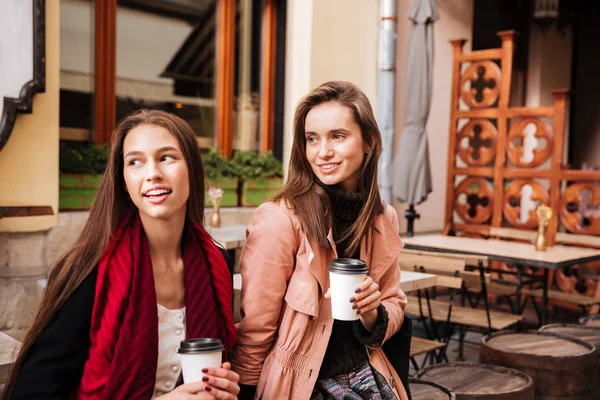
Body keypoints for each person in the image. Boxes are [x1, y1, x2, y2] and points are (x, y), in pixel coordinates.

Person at [5, 110, 241, 400]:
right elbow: (30, 393)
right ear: (124, 181)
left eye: (166, 157)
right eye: (135, 162)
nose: (152, 173)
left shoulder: (216, 262)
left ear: (191, 168)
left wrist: (223, 388)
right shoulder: (90, 269)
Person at [231, 81, 409, 400]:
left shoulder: (383, 218)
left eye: (337, 136)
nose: (322, 152)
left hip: (369, 376)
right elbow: (257, 329)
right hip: (301, 385)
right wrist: (245, 390)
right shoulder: (279, 219)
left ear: (368, 141)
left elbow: (394, 302)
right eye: (312, 139)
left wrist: (372, 314)